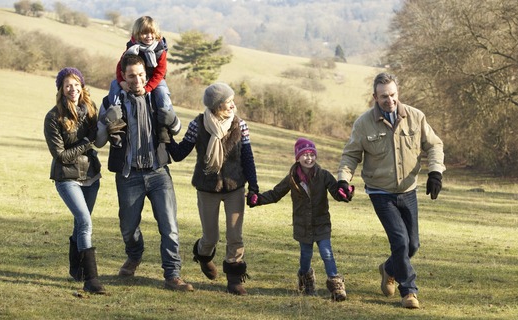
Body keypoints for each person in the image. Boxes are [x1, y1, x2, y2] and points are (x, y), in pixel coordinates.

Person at [337, 72, 445, 309]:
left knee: (413, 244)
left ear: (398, 93)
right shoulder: (363, 123)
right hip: (380, 192)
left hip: (408, 190)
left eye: (393, 94)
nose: (390, 100)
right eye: (384, 96)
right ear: (375, 97)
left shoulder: (416, 117)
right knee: (400, 240)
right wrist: (344, 180)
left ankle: (388, 269)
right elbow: (350, 155)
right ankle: (409, 292)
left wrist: (436, 172)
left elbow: (434, 144)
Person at [94, 54, 191, 292]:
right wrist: (108, 121)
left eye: (140, 75)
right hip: (129, 175)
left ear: (145, 75)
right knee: (128, 227)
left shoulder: (157, 97)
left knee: (169, 226)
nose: (136, 80)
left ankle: (172, 275)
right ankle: (134, 255)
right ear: (123, 78)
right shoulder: (110, 102)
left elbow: (176, 128)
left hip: (158, 172)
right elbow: (98, 141)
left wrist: (172, 118)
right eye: (131, 76)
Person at [166, 82, 259, 295]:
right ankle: (203, 255)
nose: (233, 106)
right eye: (228, 102)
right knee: (210, 237)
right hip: (207, 187)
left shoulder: (240, 125)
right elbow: (180, 153)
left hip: (235, 186)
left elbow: (247, 157)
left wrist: (253, 186)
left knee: (235, 236)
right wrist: (165, 137)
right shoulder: (198, 125)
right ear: (216, 106)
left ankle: (234, 279)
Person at [248, 138, 352, 301]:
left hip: (321, 224)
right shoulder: (291, 178)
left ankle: (336, 286)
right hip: (302, 225)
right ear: (298, 157)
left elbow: (336, 191)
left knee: (327, 253)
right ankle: (306, 279)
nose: (309, 158)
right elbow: (275, 194)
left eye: (312, 154)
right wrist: (258, 199)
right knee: (306, 256)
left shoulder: (324, 175)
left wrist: (344, 193)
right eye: (305, 155)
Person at [44, 67, 105, 294]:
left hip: (91, 176)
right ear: (61, 89)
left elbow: (100, 139)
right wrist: (87, 141)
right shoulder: (53, 117)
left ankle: (76, 269)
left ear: (82, 86)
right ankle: (91, 279)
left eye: (76, 84)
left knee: (81, 223)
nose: (73, 89)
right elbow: (60, 156)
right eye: (68, 85)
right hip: (66, 177)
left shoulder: (90, 109)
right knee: (85, 222)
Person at [107, 15, 180, 144]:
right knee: (114, 85)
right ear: (137, 34)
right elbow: (120, 66)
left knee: (162, 93)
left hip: (155, 79)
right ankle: (115, 118)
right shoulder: (132, 48)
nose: (149, 36)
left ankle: (164, 125)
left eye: (151, 33)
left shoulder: (160, 50)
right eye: (144, 33)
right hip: (136, 78)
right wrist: (122, 81)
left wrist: (148, 88)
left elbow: (160, 72)